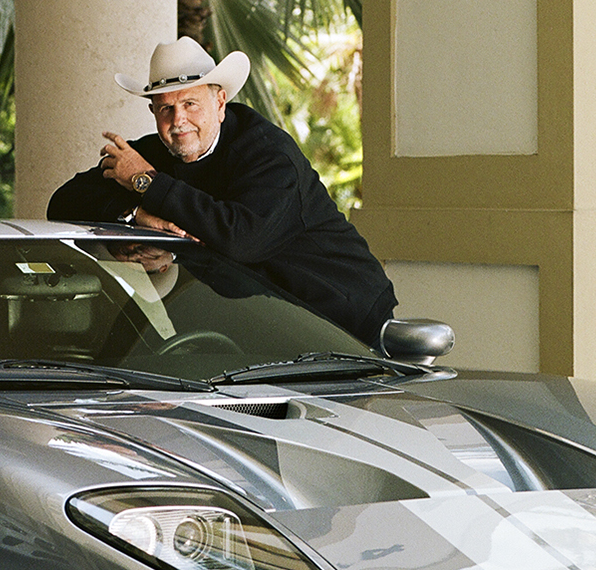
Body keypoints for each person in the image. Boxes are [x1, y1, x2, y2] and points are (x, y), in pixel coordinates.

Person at [48, 37, 398, 346]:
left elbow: (243, 239)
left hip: (347, 320)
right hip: (263, 323)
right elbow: (63, 203)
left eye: (190, 104)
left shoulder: (267, 153)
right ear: (153, 112)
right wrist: (137, 216)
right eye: (166, 108)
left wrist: (147, 183)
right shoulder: (157, 152)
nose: (178, 120)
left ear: (220, 103)